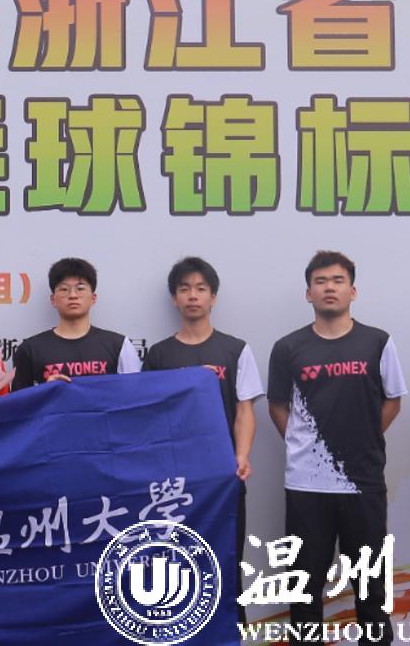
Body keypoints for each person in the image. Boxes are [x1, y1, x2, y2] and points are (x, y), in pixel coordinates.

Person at [267, 250, 404, 646]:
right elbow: (278, 405)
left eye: (338, 280)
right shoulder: (288, 348)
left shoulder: (377, 342)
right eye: (321, 281)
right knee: (304, 586)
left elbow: (393, 400)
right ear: (308, 293)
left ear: (353, 291)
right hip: (306, 485)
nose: (329, 287)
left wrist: (362, 439)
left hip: (363, 481)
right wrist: (304, 445)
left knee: (370, 586)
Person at [142, 256, 262, 622]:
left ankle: (231, 634)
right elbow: (146, 414)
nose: (192, 296)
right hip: (173, 480)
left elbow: (244, 410)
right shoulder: (159, 354)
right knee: (174, 565)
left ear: (213, 297)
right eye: (184, 289)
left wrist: (241, 456)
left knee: (226, 559)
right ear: (174, 299)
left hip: (222, 475)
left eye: (200, 289)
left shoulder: (235, 349)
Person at [11, 257, 141, 392]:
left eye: (80, 288)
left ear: (93, 298)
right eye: (64, 289)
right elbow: (19, 401)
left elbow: (135, 396)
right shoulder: (30, 350)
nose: (73, 295)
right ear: (53, 300)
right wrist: (45, 391)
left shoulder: (119, 345)